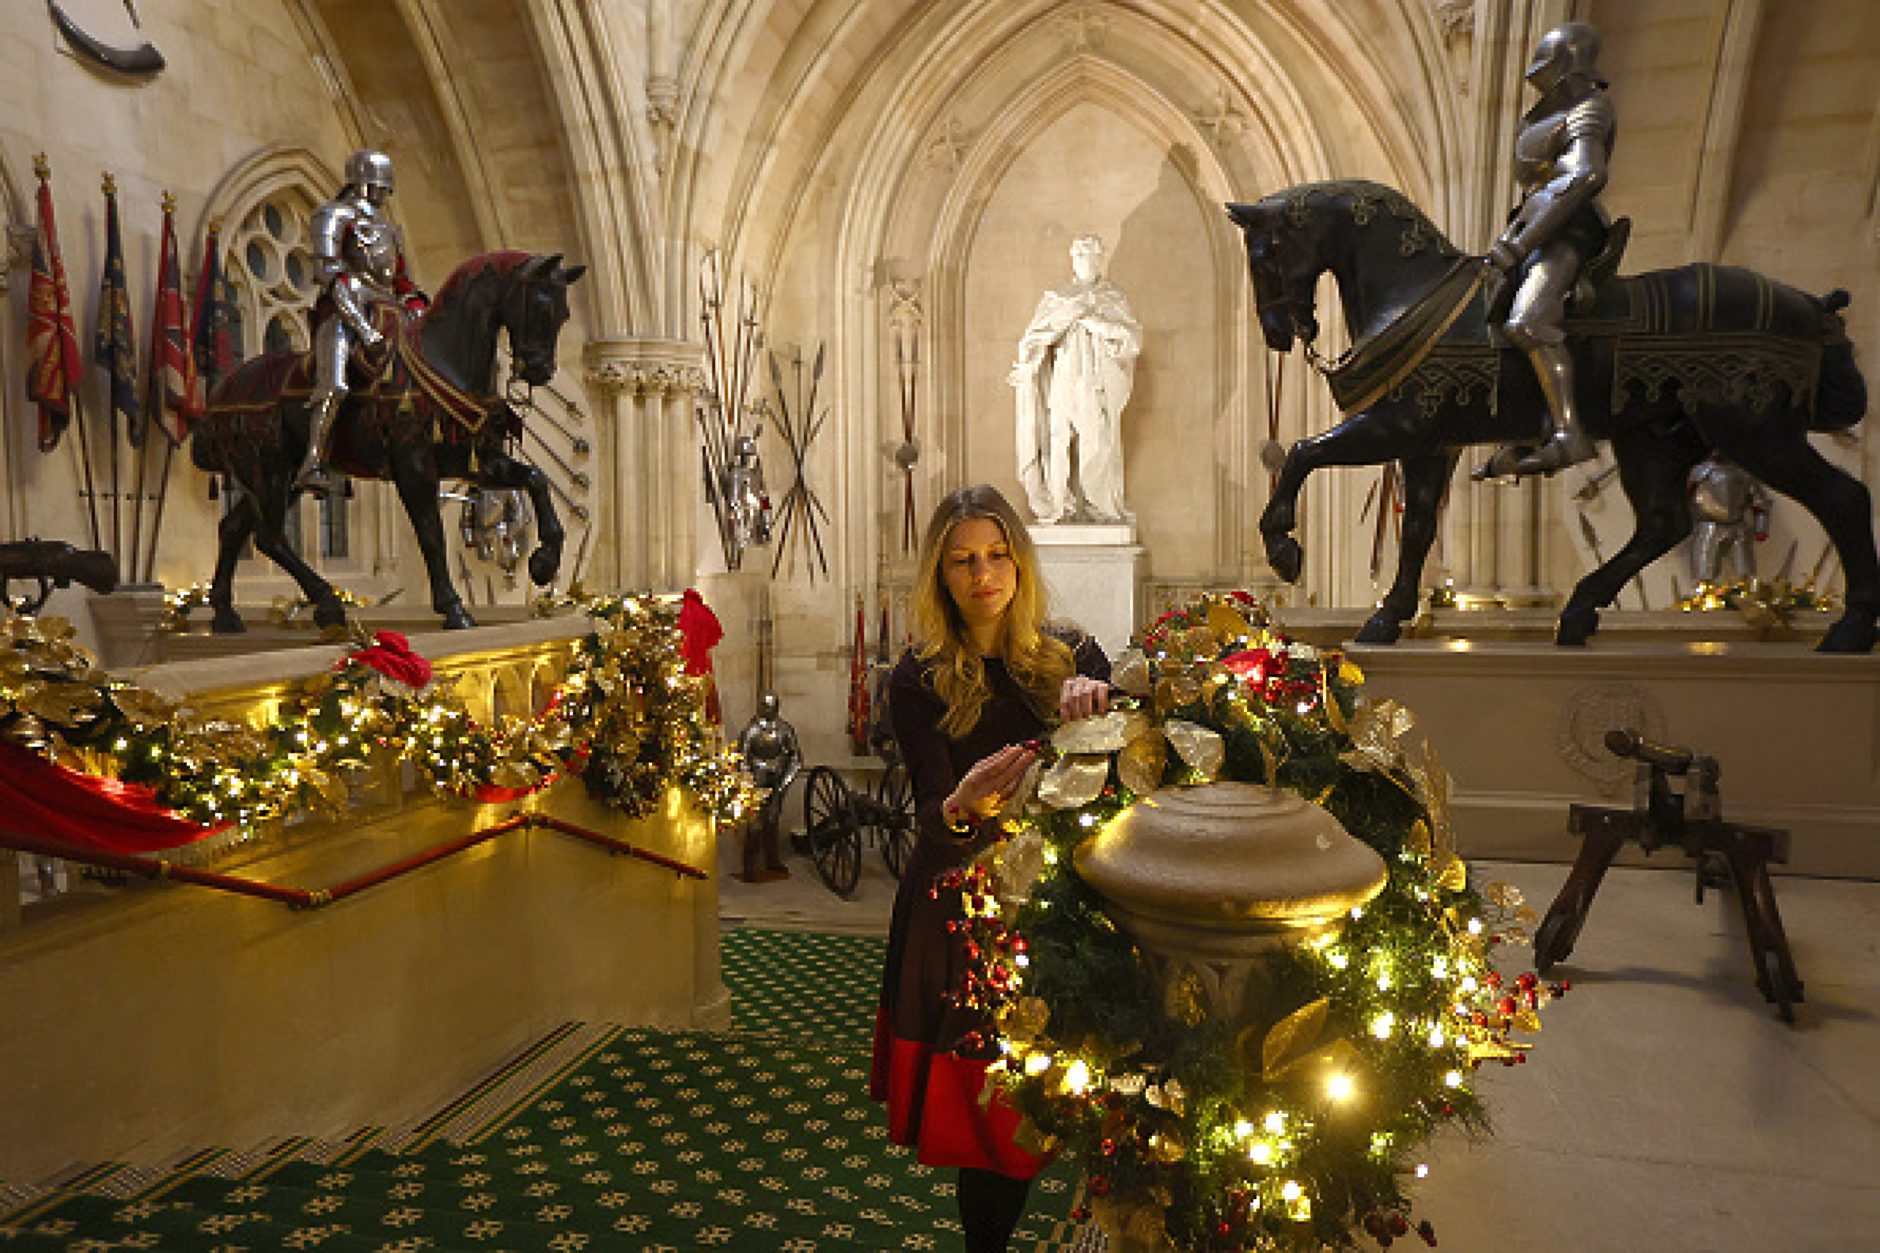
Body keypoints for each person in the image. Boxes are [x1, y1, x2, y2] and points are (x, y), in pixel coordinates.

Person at [871, 484, 1112, 1252]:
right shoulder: (917, 676)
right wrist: (965, 803)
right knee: (997, 1120)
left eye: (998, 554)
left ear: (1020, 558)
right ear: (940, 574)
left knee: (1092, 1089)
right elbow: (934, 824)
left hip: (1063, 900)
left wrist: (1105, 711)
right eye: (964, 559)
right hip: (967, 911)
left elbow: (1127, 777)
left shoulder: (1073, 655)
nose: (984, 574)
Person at [1475, 21, 1616, 480]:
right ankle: (1521, 430)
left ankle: (1570, 434)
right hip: (1534, 225)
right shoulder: (1543, 117)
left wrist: (1520, 244)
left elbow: (1583, 177)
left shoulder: (1590, 108)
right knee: (1487, 318)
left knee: (1529, 320)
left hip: (1569, 230)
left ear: (1567, 65)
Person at [298, 148, 429, 493]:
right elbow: (328, 271)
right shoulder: (332, 215)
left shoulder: (389, 229)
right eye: (382, 187)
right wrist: (362, 327)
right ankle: (313, 460)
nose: (386, 194)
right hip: (343, 310)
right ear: (366, 184)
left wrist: (419, 312)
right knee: (335, 384)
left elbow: (401, 282)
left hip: (388, 313)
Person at [1010, 235, 1142, 523]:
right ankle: (1059, 505)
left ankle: (1099, 507)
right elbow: (1034, 337)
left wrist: (1103, 326)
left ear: (1099, 258)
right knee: (1057, 441)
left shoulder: (1113, 297)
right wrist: (1027, 364)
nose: (1084, 258)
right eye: (1079, 253)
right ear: (1072, 258)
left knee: (1096, 441)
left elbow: (1132, 339)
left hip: (1095, 381)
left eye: (1090, 253)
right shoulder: (1057, 297)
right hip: (1064, 376)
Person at [735, 691, 800, 881]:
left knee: (772, 820)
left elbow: (795, 758)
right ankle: (749, 865)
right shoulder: (751, 730)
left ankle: (772, 860)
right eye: (765, 706)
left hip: (777, 780)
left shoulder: (785, 729)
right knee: (754, 824)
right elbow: (743, 757)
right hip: (755, 780)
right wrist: (748, 780)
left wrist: (785, 781)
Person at [1688, 456, 1770, 587]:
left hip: (1738, 525)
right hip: (1709, 525)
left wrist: (1761, 527)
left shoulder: (1744, 473)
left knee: (1745, 575)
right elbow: (1683, 499)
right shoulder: (1699, 472)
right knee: (1703, 576)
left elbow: (1760, 503)